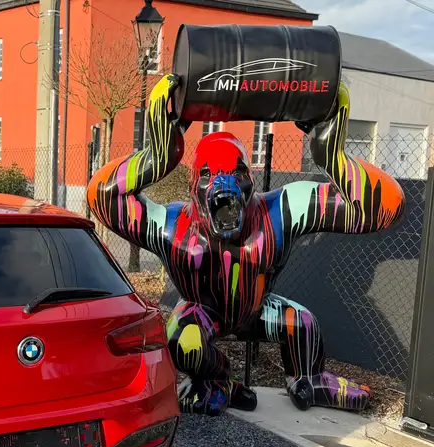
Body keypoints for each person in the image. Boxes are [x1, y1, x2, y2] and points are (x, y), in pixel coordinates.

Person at [87, 74, 405, 416]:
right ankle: (218, 378)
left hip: (258, 312)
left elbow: (382, 206)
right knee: (182, 340)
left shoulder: (279, 211)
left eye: (237, 174)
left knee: (302, 323)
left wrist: (331, 154)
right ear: (195, 188)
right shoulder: (174, 226)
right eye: (208, 175)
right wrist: (159, 154)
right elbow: (102, 196)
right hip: (203, 313)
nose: (224, 186)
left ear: (250, 182)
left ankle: (308, 379)